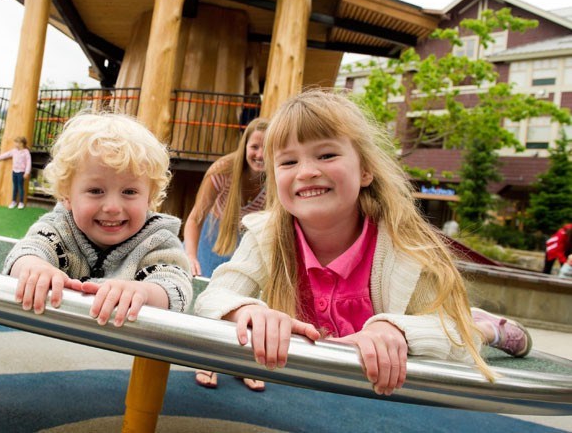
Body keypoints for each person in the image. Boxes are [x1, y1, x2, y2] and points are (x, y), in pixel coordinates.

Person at [195, 89, 531, 396]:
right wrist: (248, 311)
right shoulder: (266, 235)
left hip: (388, 379)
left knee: (468, 328)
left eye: (326, 155)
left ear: (365, 171)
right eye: (288, 162)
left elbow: (451, 333)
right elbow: (213, 296)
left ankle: (489, 328)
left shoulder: (404, 246)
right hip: (319, 379)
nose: (307, 171)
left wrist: (395, 329)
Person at [2, 112, 192, 326]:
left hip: (126, 353)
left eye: (129, 192)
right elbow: (29, 249)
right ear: (67, 195)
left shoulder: (156, 240)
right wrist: (34, 267)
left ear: (149, 198)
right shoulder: (59, 228)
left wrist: (145, 292)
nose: (112, 207)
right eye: (95, 190)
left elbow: (176, 284)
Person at [184, 117, 269, 391]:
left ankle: (244, 363)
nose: (260, 154)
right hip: (216, 236)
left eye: (268, 148)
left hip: (250, 240)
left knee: (249, 301)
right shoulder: (222, 170)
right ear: (245, 145)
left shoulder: (278, 177)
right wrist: (191, 255)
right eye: (255, 146)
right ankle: (207, 359)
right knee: (214, 299)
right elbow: (195, 218)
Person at [0, 136, 32, 209]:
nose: (15, 144)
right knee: (15, 187)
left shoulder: (26, 152)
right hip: (14, 171)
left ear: (22, 144)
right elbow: (7, 154)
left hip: (21, 172)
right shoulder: (14, 151)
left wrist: (27, 172)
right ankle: (13, 201)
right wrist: (0, 157)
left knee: (20, 187)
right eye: (15, 142)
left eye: (17, 142)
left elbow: (29, 162)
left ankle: (21, 202)